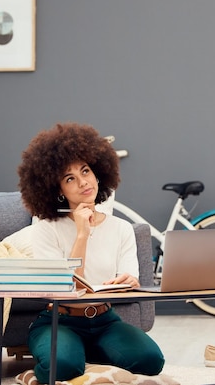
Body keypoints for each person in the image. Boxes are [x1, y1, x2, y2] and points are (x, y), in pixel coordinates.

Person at [17, 122, 165, 384]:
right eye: (69, 178)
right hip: (59, 319)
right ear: (58, 190)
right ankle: (45, 366)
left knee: (151, 360)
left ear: (98, 173)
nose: (83, 181)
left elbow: (130, 277)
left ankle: (85, 352)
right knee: (62, 367)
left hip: (104, 319)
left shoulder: (121, 228)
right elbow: (64, 287)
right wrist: (82, 234)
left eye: (85, 171)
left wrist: (129, 281)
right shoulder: (45, 229)